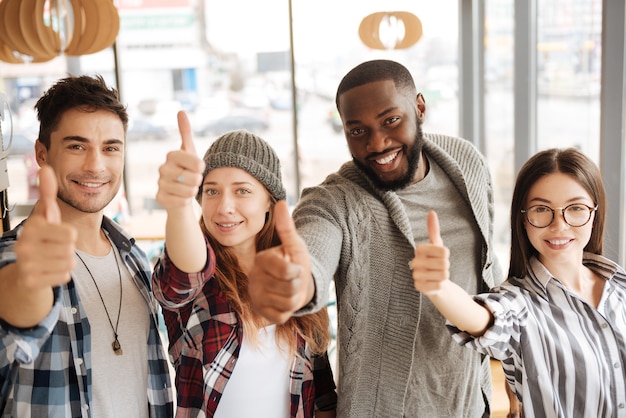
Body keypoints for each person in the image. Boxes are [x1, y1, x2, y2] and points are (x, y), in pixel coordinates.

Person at [246, 59, 503, 417]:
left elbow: (490, 280)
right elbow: (313, 250)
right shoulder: (335, 199)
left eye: (390, 121)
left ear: (420, 108)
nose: (377, 143)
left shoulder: (466, 163)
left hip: (472, 406)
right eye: (357, 131)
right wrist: (297, 281)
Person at [0, 75, 174, 417]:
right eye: (76, 146)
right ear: (42, 154)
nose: (96, 165)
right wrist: (30, 280)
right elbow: (17, 305)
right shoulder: (14, 257)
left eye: (110, 147)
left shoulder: (134, 259)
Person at [411, 147, 626, 417]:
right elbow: (485, 320)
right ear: (523, 219)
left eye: (575, 208)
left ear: (594, 213)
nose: (559, 225)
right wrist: (440, 289)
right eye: (541, 209)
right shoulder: (518, 303)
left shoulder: (620, 287)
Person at [152, 114, 337, 418]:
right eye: (211, 191)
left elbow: (322, 394)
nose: (224, 207)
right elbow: (180, 279)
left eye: (242, 190)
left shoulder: (293, 274)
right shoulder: (199, 278)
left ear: (269, 200)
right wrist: (179, 205)